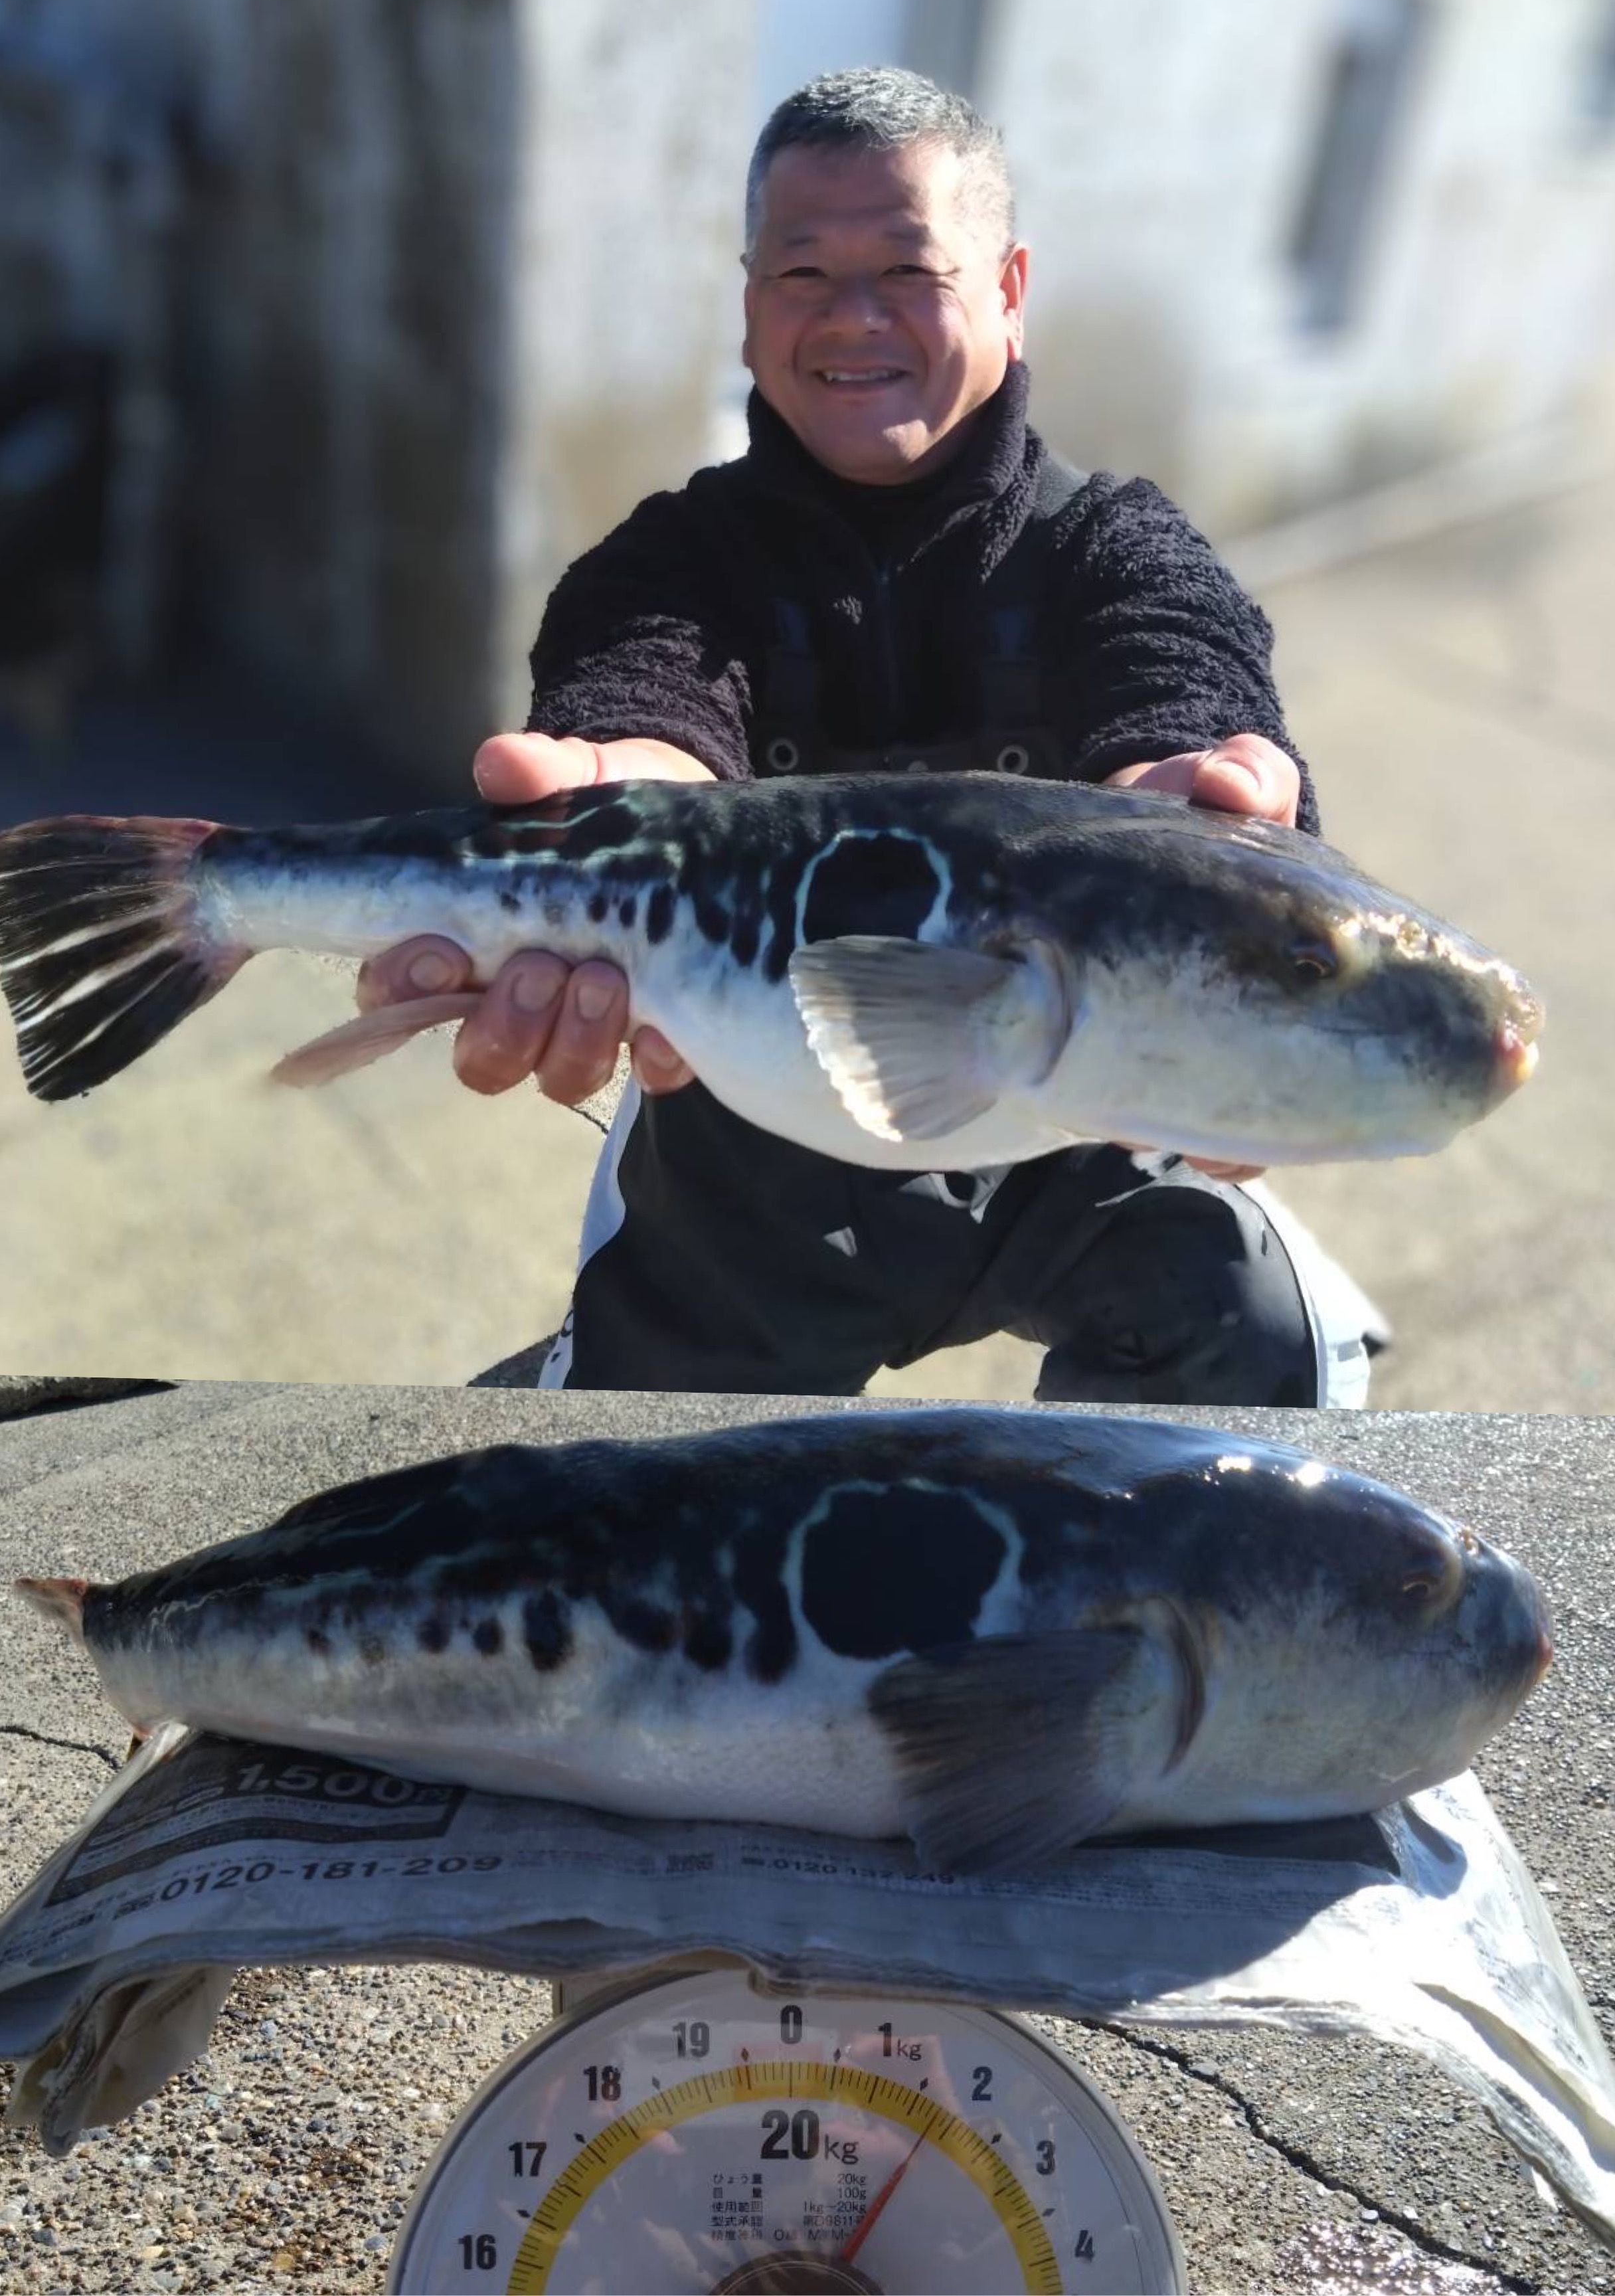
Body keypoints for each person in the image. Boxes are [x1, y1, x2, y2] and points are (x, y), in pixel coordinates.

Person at [359, 68, 1363, 1403]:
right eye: (802, 272)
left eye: (906, 267)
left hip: (1079, 1109)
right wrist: (616, 797)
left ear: (1007, 287)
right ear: (748, 305)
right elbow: (647, 709)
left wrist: (1206, 822)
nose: (852, 315)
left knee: (1277, 1355)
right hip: (750, 1125)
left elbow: (1181, 684)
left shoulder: (1120, 547)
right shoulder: (662, 564)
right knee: (638, 1476)